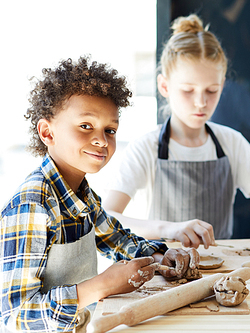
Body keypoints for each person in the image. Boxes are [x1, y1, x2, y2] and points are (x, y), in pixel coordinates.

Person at [0, 56, 197, 333]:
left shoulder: (81, 192)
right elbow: (15, 316)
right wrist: (103, 285)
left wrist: (159, 256)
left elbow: (115, 238)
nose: (102, 141)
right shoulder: (32, 206)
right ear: (47, 132)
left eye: (110, 130)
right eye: (85, 126)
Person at [103, 14, 250, 249]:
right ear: (164, 86)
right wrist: (170, 229)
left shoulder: (231, 143)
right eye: (188, 90)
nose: (201, 102)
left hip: (222, 272)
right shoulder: (146, 147)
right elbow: (107, 219)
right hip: (161, 272)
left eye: (211, 90)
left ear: (223, 85)